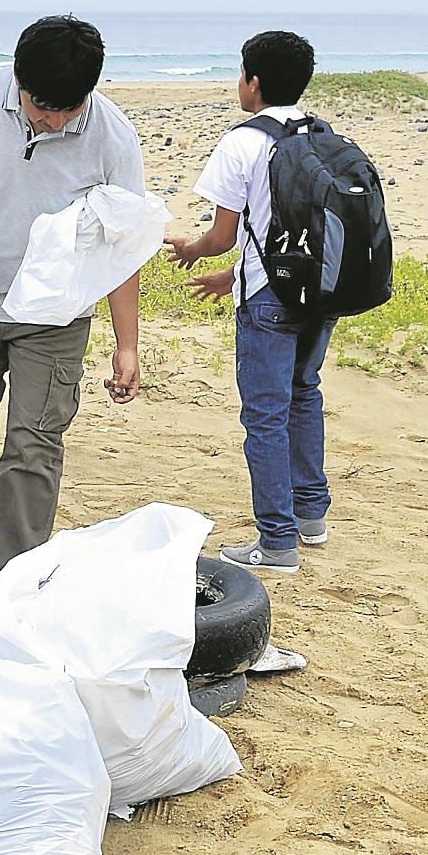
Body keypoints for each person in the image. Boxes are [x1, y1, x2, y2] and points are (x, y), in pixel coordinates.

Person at [0, 15, 145, 585]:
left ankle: (11, 577)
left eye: (70, 108)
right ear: (17, 77)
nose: (53, 119)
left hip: (55, 316)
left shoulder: (114, 139)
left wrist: (127, 345)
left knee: (35, 441)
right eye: (42, 104)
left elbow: (123, 245)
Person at [164, 30, 332, 574]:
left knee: (264, 415)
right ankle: (311, 517)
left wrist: (192, 250)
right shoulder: (321, 135)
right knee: (304, 394)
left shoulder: (242, 142)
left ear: (253, 82)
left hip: (268, 298)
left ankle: (276, 543)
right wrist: (231, 276)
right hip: (318, 290)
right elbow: (297, 228)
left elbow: (224, 234)